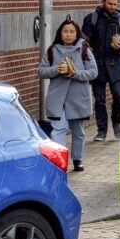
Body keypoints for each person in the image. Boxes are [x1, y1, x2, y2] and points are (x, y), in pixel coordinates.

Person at [38, 19, 97, 167]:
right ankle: (60, 161)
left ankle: (77, 159)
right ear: (60, 33)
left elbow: (93, 72)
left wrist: (75, 73)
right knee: (59, 129)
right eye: (65, 31)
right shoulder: (52, 50)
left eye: (72, 31)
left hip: (78, 98)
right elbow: (42, 71)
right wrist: (57, 69)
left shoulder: (84, 50)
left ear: (77, 33)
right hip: (57, 99)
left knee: (78, 131)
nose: (68, 34)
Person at [80, 0, 120, 141]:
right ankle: (101, 130)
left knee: (119, 96)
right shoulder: (92, 19)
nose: (112, 7)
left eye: (115, 4)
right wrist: (87, 48)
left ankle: (117, 124)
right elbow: (84, 38)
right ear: (103, 2)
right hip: (98, 64)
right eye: (110, 4)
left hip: (116, 65)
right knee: (100, 99)